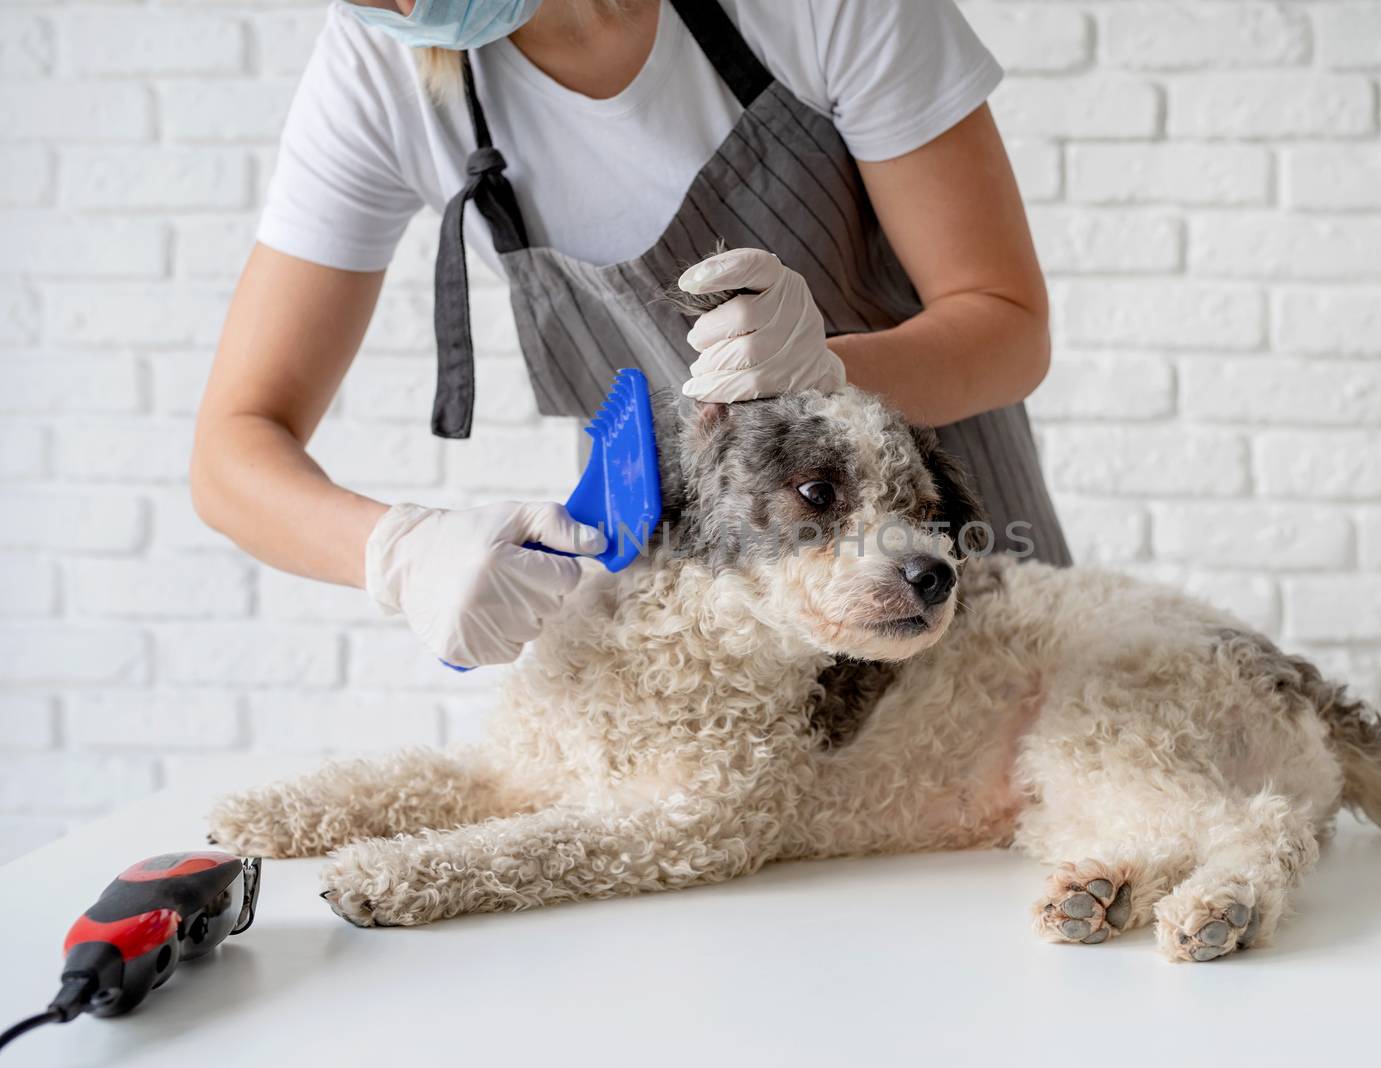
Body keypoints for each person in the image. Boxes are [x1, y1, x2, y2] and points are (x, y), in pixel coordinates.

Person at [192, 0, 1069, 670]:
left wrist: (832, 374)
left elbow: (1007, 324)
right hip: (706, 640)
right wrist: (397, 552)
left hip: (940, 569)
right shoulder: (375, 77)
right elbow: (234, 449)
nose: (401, 7)